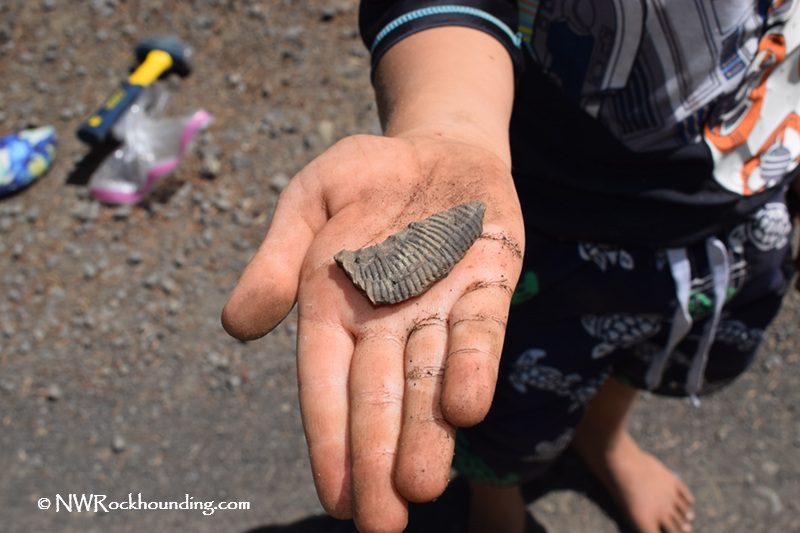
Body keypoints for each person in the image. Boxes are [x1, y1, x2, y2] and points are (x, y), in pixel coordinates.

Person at [222, 1, 800, 532]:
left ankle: (603, 440)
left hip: (748, 198)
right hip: (548, 219)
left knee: (644, 353)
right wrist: (448, 122)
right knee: (499, 394)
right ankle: (495, 493)